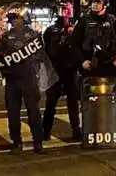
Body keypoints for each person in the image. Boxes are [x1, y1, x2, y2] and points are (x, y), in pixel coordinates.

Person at [0, 12, 56, 154]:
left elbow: (43, 55)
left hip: (29, 78)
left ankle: (38, 142)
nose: (13, 22)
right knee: (12, 112)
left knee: (33, 112)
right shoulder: (6, 36)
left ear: (22, 19)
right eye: (11, 20)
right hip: (11, 78)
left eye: (16, 19)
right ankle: (17, 142)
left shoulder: (34, 35)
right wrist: (4, 56)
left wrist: (43, 75)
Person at [71, 0, 116, 79]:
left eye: (98, 2)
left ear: (106, 4)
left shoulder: (115, 21)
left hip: (111, 67)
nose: (94, 4)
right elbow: (74, 43)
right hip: (89, 67)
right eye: (93, 1)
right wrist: (82, 61)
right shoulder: (83, 21)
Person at [42, 14, 81, 142]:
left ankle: (76, 130)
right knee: (51, 102)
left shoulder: (74, 30)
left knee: (73, 102)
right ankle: (45, 131)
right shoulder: (51, 30)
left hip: (70, 70)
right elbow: (47, 49)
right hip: (55, 69)